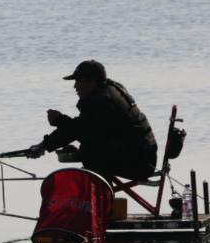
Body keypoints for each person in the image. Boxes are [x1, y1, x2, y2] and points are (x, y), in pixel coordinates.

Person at [26, 60, 157, 181]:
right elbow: (89, 130)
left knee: (91, 157)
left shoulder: (103, 100)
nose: (75, 86)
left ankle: (100, 202)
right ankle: (101, 202)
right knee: (89, 152)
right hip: (143, 158)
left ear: (92, 81)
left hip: (139, 164)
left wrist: (48, 139)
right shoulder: (109, 91)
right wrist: (51, 140)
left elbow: (81, 131)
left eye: (78, 81)